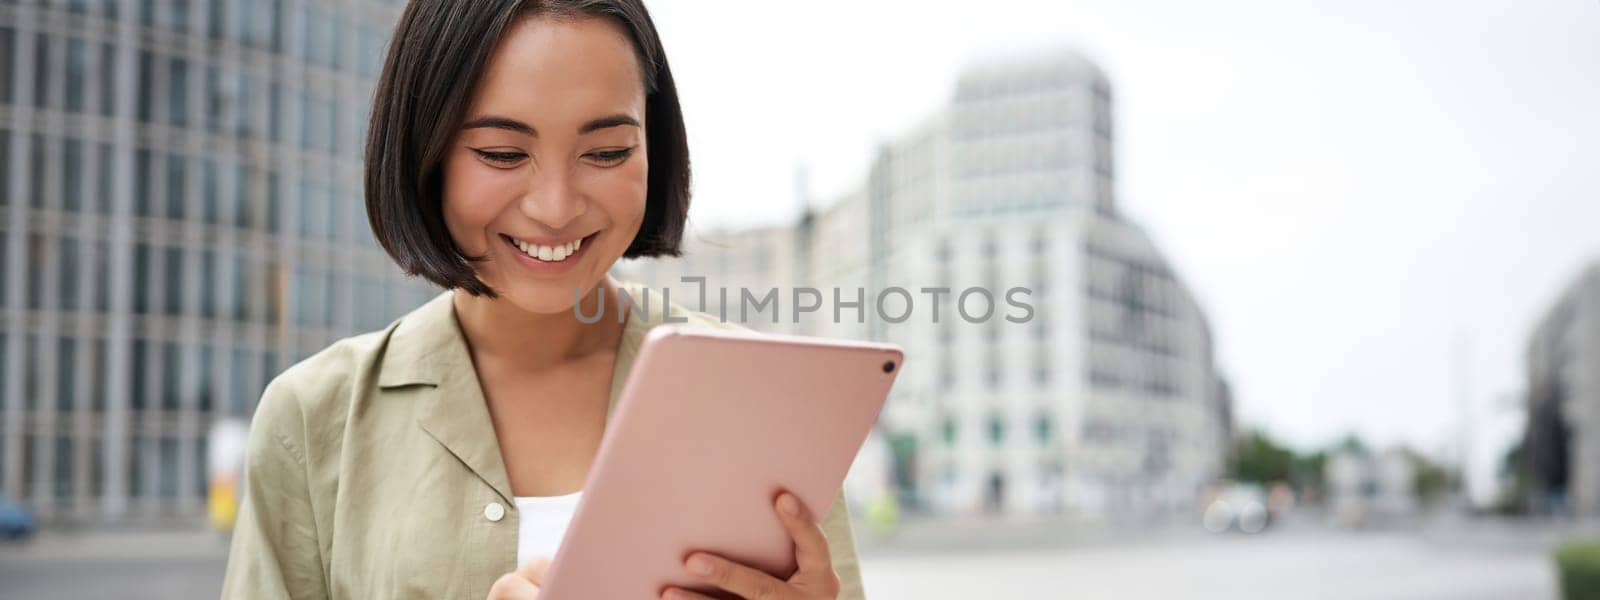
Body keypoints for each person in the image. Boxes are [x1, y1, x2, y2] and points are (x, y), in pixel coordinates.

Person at [219, 1, 864, 598]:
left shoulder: (765, 398)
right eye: (502, 154)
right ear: (428, 151)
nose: (554, 208)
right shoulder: (312, 419)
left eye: (607, 151)